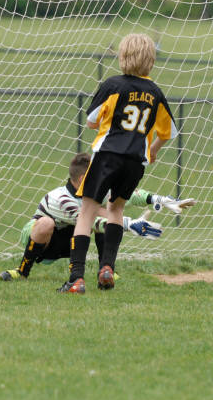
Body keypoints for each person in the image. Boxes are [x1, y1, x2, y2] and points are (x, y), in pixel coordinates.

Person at [59, 33, 178, 294]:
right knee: (116, 209)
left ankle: (76, 279)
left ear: (122, 57)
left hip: (107, 155)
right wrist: (153, 150)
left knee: (87, 212)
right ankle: (107, 269)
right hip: (135, 162)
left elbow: (91, 122)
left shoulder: (113, 85)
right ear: (151, 61)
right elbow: (168, 132)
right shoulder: (156, 93)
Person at [0, 153, 194, 282]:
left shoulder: (93, 191)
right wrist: (129, 224)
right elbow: (87, 221)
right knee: (47, 222)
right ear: (83, 179)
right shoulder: (59, 198)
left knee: (102, 211)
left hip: (69, 241)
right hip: (42, 241)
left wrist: (158, 199)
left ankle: (106, 269)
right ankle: (22, 271)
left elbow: (127, 195)